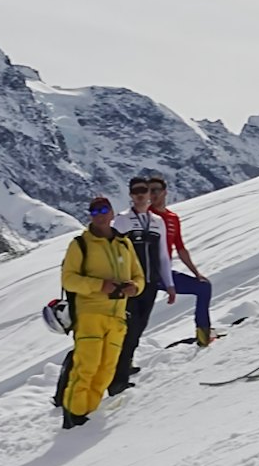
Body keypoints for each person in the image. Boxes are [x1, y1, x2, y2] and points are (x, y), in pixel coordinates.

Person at [58, 195, 144, 429]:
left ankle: (88, 413)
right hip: (90, 315)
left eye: (104, 209)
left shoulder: (124, 244)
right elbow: (69, 279)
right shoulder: (80, 244)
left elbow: (139, 276)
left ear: (112, 212)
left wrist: (134, 287)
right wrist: (99, 286)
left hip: (117, 316)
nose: (100, 214)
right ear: (90, 216)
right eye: (95, 211)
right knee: (86, 367)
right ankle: (73, 416)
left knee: (106, 369)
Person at [109, 176, 175, 392]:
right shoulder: (122, 220)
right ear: (130, 194)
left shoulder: (158, 222)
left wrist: (169, 283)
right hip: (128, 286)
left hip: (150, 284)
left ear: (149, 194)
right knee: (127, 329)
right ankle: (117, 378)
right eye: (136, 191)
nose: (140, 194)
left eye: (144, 190)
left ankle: (124, 365)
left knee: (138, 328)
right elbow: (112, 253)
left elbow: (163, 255)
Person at [147, 174, 216, 347]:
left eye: (155, 190)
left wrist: (196, 273)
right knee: (137, 315)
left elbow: (180, 247)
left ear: (165, 192)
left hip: (164, 274)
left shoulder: (172, 218)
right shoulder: (145, 217)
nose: (152, 194)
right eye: (149, 191)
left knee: (203, 287)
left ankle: (203, 334)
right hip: (145, 274)